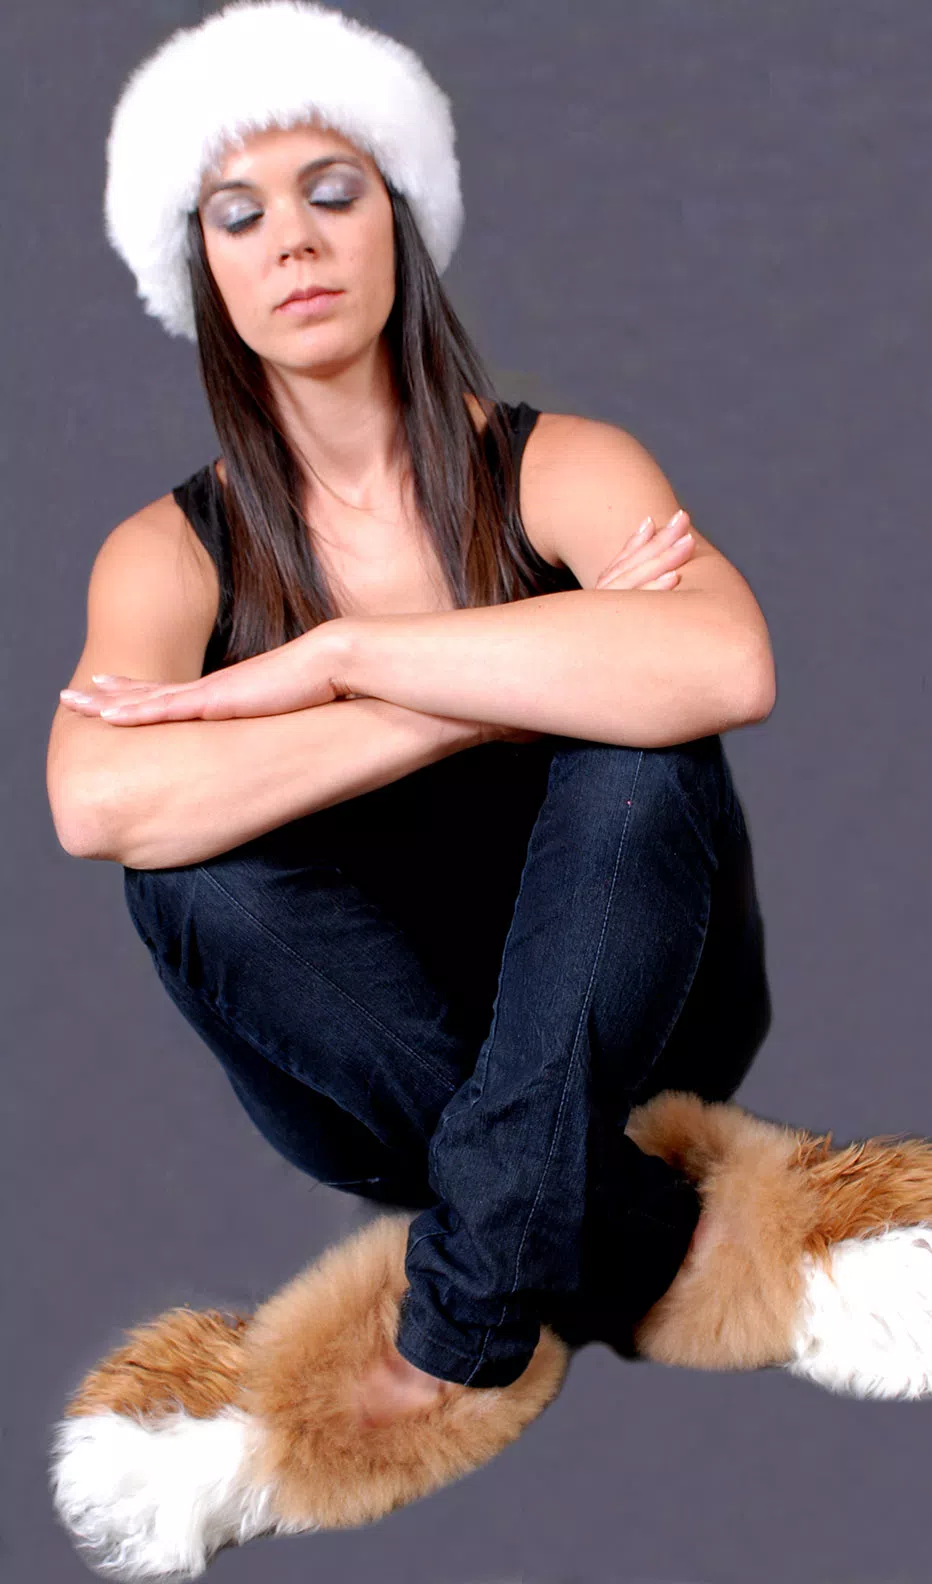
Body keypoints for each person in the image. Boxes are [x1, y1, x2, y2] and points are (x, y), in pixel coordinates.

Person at [47, 1, 775, 1433]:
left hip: (643, 1024)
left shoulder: (564, 463)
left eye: (333, 193)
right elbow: (99, 804)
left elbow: (724, 664)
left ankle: (470, 1311)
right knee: (187, 881)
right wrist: (458, 698)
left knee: (643, 764)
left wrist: (349, 656)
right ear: (204, 269)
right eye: (241, 215)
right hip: (377, 1080)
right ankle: (628, 1225)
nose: (294, 242)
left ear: (401, 220)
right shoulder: (166, 553)